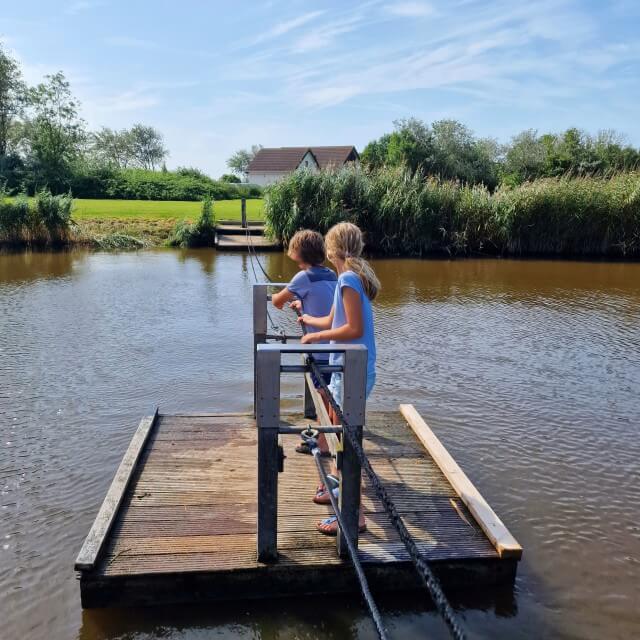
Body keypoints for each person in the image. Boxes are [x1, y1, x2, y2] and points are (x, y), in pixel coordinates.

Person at [297, 222, 379, 535]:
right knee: (337, 435)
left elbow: (353, 329)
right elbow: (333, 319)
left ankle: (352, 515)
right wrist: (308, 320)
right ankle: (338, 492)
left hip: (351, 370)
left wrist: (317, 339)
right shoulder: (351, 277)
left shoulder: (346, 278)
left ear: (332, 250)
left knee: (345, 442)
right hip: (349, 368)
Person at [271, 229, 338, 456]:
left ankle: (325, 443)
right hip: (335, 346)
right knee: (329, 394)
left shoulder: (304, 277)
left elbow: (278, 301)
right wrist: (303, 305)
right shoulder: (330, 274)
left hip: (319, 349)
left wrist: (275, 297)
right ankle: (324, 437)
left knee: (324, 396)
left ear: (298, 253)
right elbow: (323, 300)